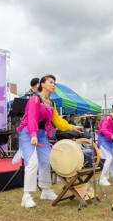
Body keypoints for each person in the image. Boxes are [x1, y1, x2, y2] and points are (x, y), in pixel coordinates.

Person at [17, 74, 83, 208]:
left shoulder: (52, 103)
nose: (53, 85)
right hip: (28, 132)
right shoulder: (35, 99)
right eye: (50, 82)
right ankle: (26, 196)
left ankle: (45, 190)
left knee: (47, 160)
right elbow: (32, 118)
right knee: (32, 163)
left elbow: (57, 121)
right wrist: (33, 134)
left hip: (40, 134)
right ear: (42, 84)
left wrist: (72, 126)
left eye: (54, 83)